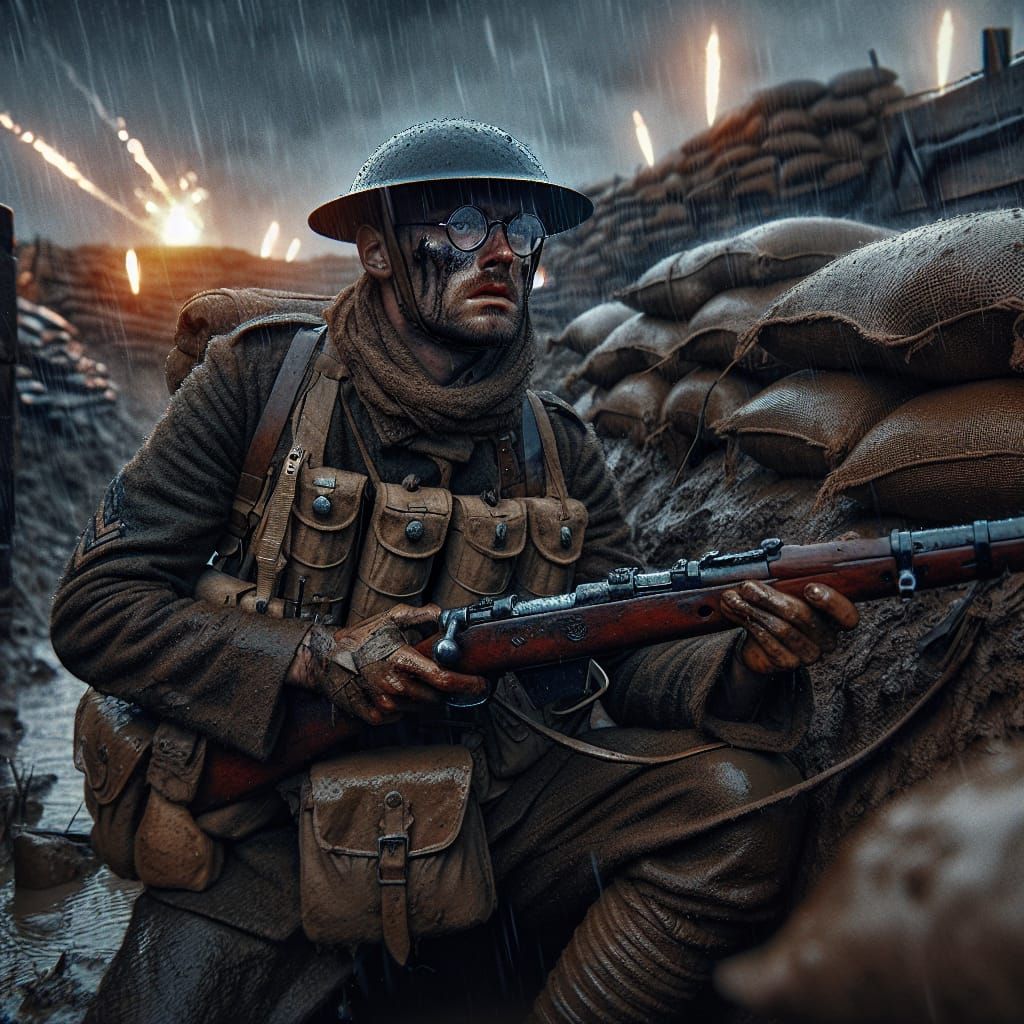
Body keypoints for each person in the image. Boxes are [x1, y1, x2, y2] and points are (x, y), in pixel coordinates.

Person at [51, 119, 859, 1024]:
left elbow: (621, 666)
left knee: (736, 807)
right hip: (266, 831)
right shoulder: (259, 388)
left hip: (497, 804)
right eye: (467, 226)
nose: (504, 254)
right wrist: (314, 657)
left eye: (521, 233)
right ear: (378, 251)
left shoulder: (558, 445)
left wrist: (741, 665)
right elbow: (96, 605)